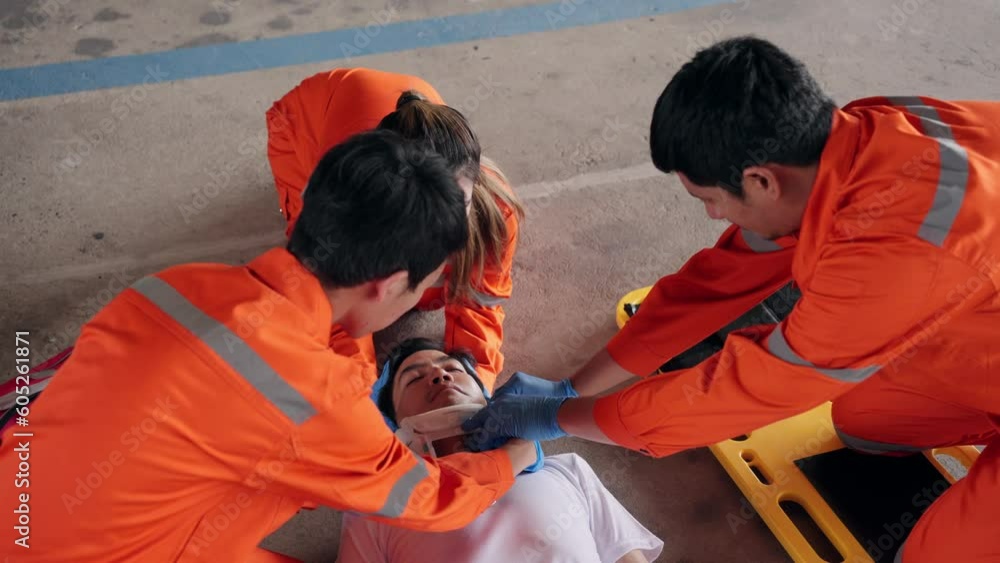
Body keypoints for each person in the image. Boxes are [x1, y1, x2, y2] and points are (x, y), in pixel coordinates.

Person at [462, 36, 1000, 562]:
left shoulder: (894, 254)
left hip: (945, 281)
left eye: (710, 200)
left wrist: (564, 416)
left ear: (761, 180)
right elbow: (718, 282)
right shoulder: (857, 136)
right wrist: (571, 386)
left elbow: (746, 390)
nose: (713, 215)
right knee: (864, 421)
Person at [0, 130, 539, 562]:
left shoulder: (174, 286)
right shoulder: (312, 400)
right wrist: (514, 456)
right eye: (424, 287)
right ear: (389, 284)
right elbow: (429, 500)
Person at [267, 67, 524, 391]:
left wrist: (476, 385)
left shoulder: (497, 211)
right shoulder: (352, 197)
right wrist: (360, 393)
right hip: (296, 126)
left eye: (455, 204)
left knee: (423, 289)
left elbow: (480, 306)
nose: (445, 221)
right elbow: (335, 300)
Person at [337, 338, 664, 563]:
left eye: (454, 368)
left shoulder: (569, 468)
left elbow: (626, 556)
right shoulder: (378, 507)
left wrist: (570, 398)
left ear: (488, 395)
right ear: (395, 426)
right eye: (414, 379)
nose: (439, 374)